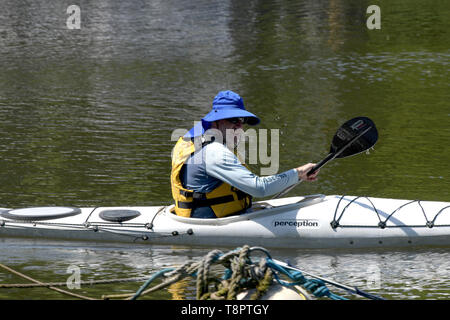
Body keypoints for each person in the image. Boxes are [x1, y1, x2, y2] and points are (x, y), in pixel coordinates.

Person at [171, 90, 319, 218]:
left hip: (208, 217)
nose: (240, 126)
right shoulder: (214, 152)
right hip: (210, 225)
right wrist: (297, 173)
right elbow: (260, 188)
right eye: (233, 119)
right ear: (215, 122)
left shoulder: (195, 140)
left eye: (242, 120)